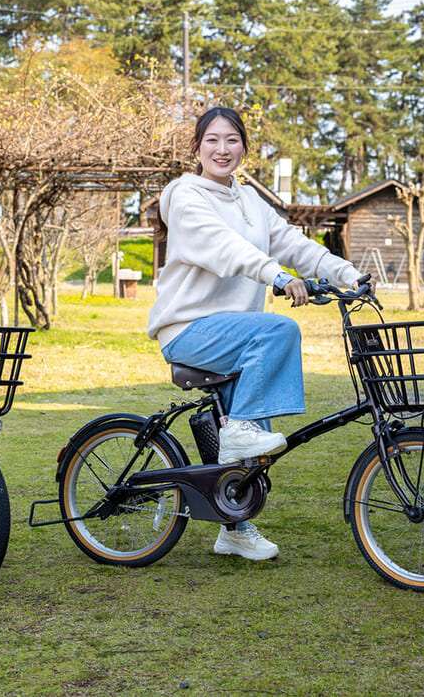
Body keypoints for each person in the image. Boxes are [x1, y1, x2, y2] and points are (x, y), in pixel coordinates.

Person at [147, 105, 371, 562]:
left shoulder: (250, 201)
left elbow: (293, 243)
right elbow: (223, 246)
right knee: (279, 331)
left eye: (232, 140)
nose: (222, 149)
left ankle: (234, 527)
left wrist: (348, 273)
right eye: (212, 140)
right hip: (189, 328)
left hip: (235, 335)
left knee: (256, 446)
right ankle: (238, 433)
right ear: (196, 148)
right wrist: (276, 277)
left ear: (244, 148)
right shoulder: (186, 195)